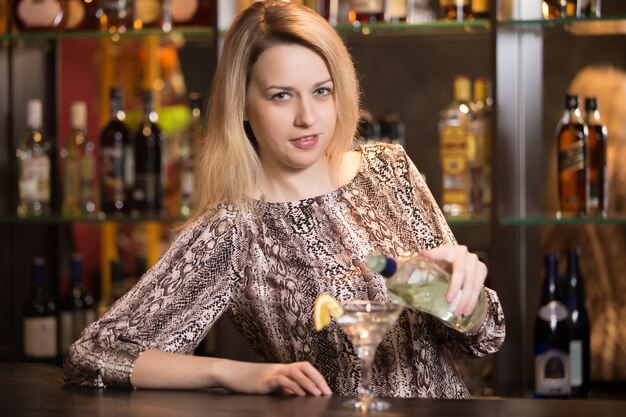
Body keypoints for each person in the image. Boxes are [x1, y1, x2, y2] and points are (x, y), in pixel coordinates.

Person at [64, 1, 505, 399]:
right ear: (242, 104)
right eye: (281, 96)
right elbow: (95, 354)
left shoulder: (389, 169)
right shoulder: (234, 228)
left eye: (321, 90)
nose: (307, 117)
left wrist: (465, 296)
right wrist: (236, 375)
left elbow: (482, 341)